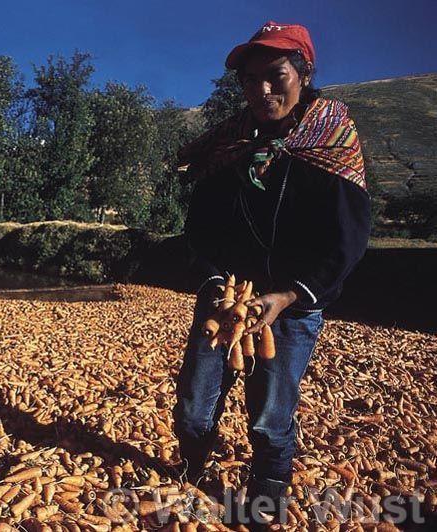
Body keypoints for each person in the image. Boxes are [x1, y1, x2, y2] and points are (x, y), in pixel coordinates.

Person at [172, 21, 371, 527]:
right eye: (249, 79)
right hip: (226, 296)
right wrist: (214, 282)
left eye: (275, 75)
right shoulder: (229, 146)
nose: (261, 90)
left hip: (292, 305)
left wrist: (289, 296)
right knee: (193, 407)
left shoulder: (332, 141)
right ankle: (191, 472)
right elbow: (199, 229)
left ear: (304, 74)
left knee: (269, 415)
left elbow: (347, 240)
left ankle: (266, 501)